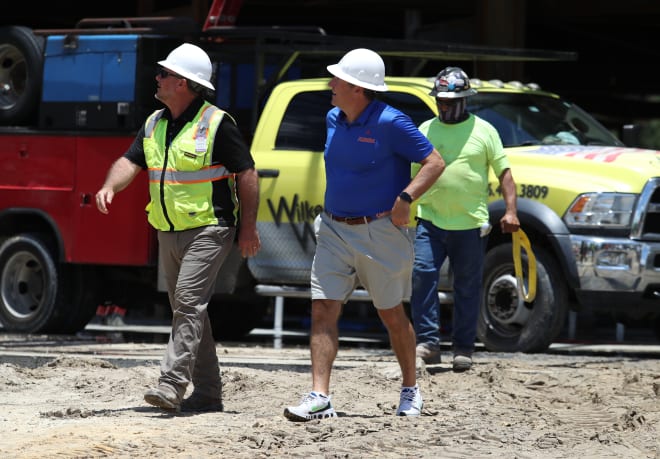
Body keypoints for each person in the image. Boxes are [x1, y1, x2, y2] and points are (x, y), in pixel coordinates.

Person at [95, 43, 260, 412]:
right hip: (168, 230)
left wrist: (248, 227)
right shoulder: (155, 122)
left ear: (184, 83)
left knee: (187, 304)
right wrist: (109, 186)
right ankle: (209, 392)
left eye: (164, 74)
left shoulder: (217, 124)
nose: (158, 77)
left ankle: (171, 384)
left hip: (210, 228)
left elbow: (247, 173)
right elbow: (129, 161)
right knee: (189, 311)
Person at [283, 48, 445, 422]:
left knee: (391, 314)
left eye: (336, 79)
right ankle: (320, 396)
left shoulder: (392, 122)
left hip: (381, 233)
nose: (330, 84)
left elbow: (434, 162)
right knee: (323, 307)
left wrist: (406, 198)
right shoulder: (332, 118)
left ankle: (410, 389)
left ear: (357, 87)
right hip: (334, 229)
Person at [410, 66, 519, 372]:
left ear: (464, 100)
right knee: (422, 277)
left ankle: (463, 348)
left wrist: (510, 211)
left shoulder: (484, 131)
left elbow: (505, 175)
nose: (442, 105)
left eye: (448, 100)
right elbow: (411, 177)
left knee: (467, 288)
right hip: (429, 220)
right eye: (439, 100)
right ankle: (428, 343)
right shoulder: (425, 130)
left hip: (470, 225)